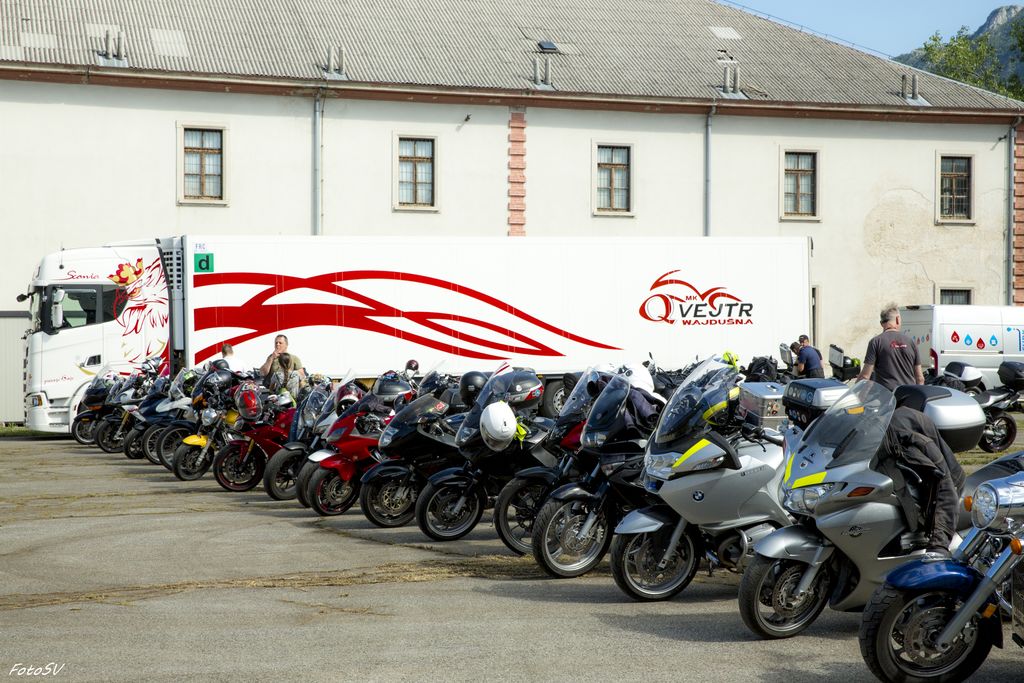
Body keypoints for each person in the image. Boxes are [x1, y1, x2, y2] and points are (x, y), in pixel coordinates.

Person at [857, 304, 925, 391]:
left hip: (886, 396)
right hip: (909, 395)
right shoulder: (911, 342)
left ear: (881, 324)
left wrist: (855, 394)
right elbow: (920, 378)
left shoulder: (876, 342)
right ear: (897, 319)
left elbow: (865, 376)